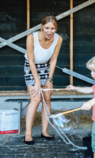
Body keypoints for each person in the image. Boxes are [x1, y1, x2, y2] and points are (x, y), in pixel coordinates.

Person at [23, 15, 63, 145]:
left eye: (53, 28)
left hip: (46, 67)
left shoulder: (58, 39)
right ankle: (28, 133)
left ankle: (44, 131)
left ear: (56, 29)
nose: (49, 31)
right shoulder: (31, 37)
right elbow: (31, 60)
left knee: (47, 98)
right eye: (47, 28)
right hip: (31, 67)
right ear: (42, 27)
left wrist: (49, 79)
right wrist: (37, 82)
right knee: (35, 98)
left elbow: (53, 59)